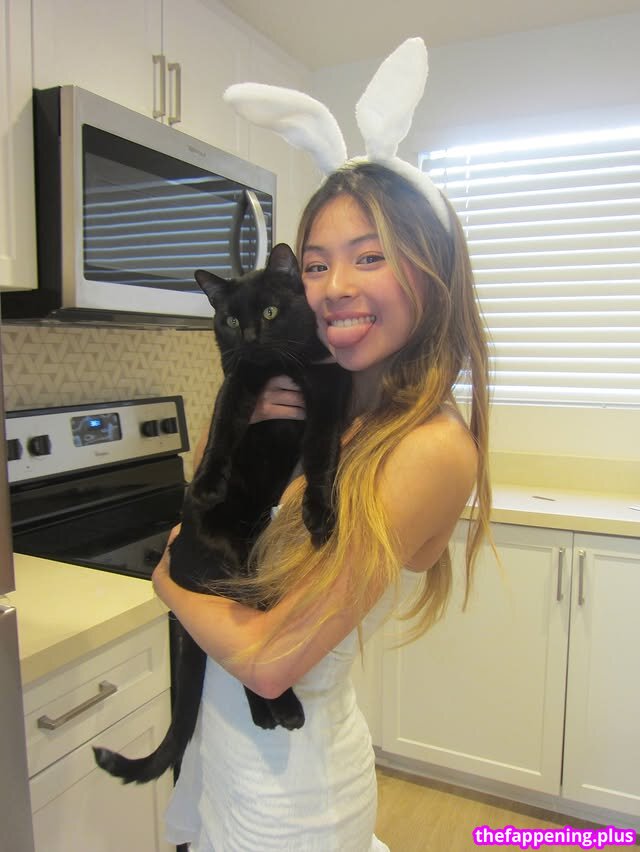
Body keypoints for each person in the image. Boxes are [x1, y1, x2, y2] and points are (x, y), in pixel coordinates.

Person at [153, 39, 491, 852]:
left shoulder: (429, 445)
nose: (334, 287)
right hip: (230, 752)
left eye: (369, 257)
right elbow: (220, 510)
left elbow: (269, 661)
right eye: (315, 264)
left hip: (290, 793)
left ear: (431, 271)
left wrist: (163, 575)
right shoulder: (337, 410)